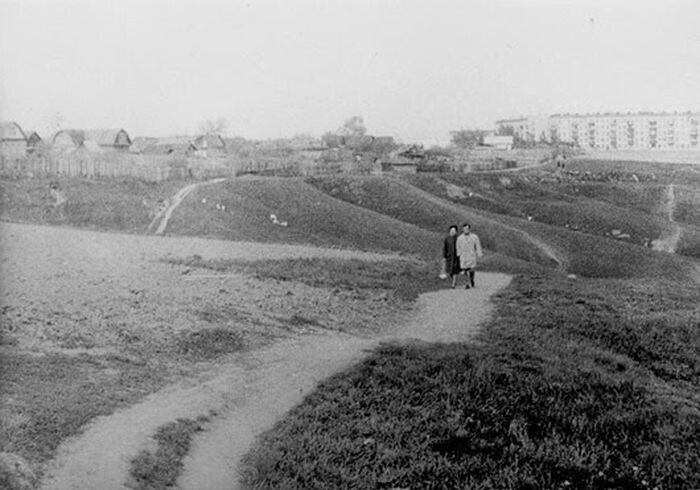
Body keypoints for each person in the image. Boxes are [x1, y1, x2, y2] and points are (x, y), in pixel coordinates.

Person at [456, 223, 483, 289]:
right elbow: (457, 247)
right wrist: (458, 254)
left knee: (471, 270)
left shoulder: (474, 237)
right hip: (463, 256)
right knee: (464, 270)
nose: (466, 230)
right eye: (464, 229)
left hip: (471, 256)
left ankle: (471, 280)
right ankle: (466, 283)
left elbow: (478, 245)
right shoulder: (460, 238)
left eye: (467, 229)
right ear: (462, 229)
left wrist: (479, 253)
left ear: (470, 229)